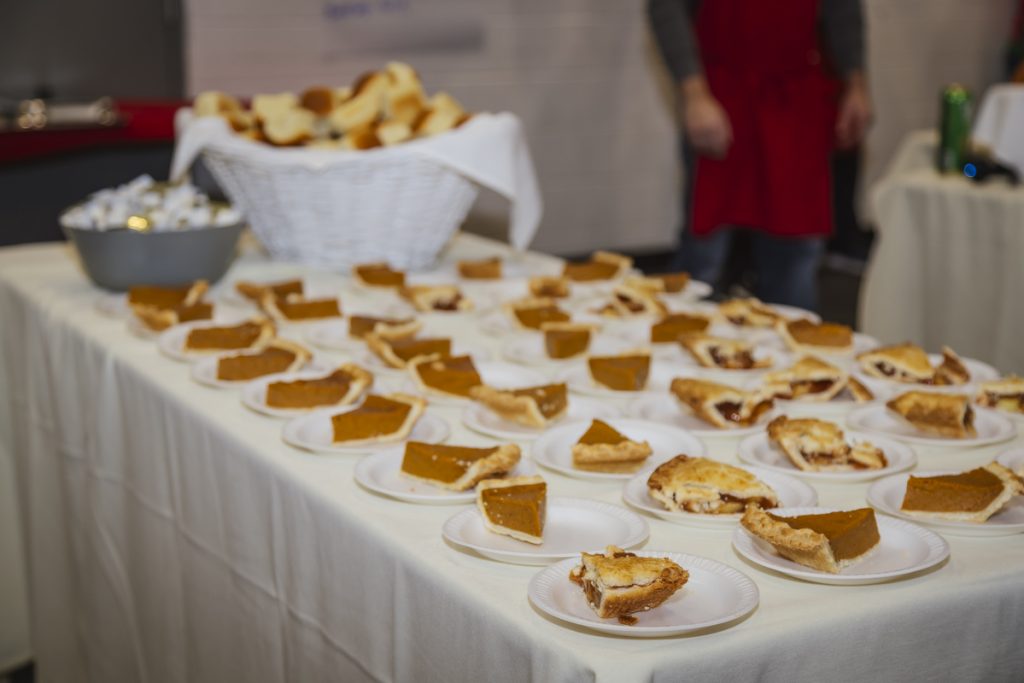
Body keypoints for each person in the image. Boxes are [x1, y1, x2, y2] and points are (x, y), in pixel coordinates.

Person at [648, 0, 872, 311]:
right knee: (704, 258)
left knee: (797, 251)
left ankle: (794, 338)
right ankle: (679, 334)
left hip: (795, 100)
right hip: (722, 96)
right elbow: (666, 7)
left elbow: (843, 8)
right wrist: (694, 94)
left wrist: (856, 82)